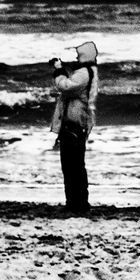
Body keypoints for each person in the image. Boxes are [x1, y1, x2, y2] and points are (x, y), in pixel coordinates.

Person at [50, 41, 98, 214]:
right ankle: (78, 203)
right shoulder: (88, 72)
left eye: (79, 55)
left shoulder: (84, 74)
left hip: (74, 125)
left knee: (71, 166)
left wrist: (59, 72)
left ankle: (75, 204)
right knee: (75, 166)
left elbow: (66, 86)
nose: (77, 57)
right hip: (78, 124)